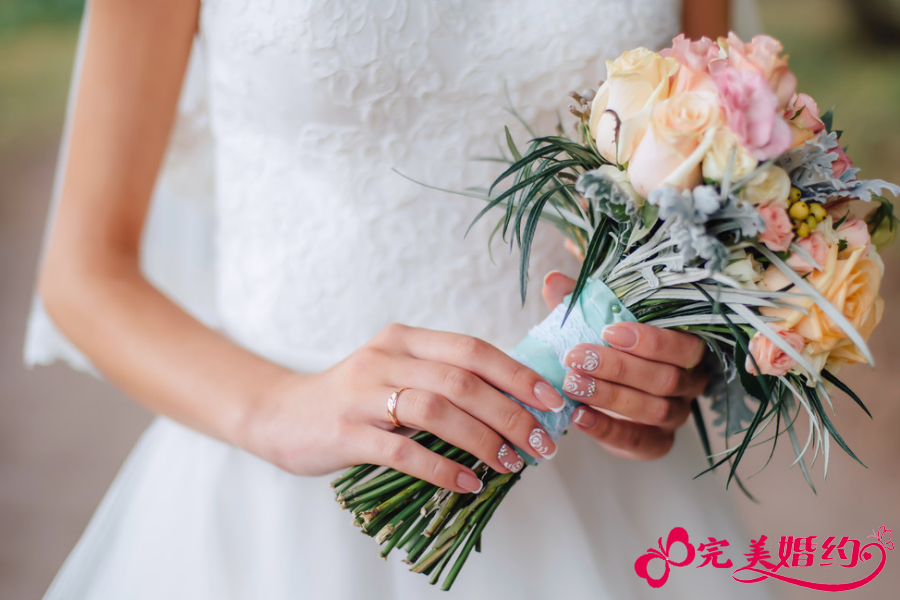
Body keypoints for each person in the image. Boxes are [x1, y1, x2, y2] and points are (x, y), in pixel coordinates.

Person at [27, 0, 772, 598]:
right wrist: (277, 408)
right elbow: (84, 274)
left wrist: (676, 363)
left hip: (602, 482)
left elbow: (709, 195)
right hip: (284, 489)